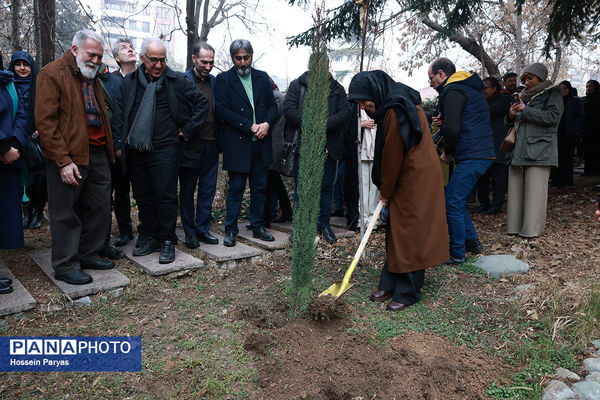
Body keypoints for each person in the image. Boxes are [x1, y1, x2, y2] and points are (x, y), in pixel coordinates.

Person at [348, 70, 449, 311]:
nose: (364, 106)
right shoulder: (393, 101)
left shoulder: (396, 108)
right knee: (396, 230)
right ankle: (390, 282)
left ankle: (408, 291)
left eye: (364, 100)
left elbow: (393, 154)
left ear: (375, 90)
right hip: (407, 173)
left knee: (410, 233)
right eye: (359, 103)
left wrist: (386, 189)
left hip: (415, 176)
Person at [113, 38, 208, 263]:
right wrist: (119, 144)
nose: (158, 65)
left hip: (166, 148)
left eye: (162, 60)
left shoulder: (177, 80)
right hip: (136, 149)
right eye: (153, 60)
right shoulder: (130, 82)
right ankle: (148, 235)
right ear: (143, 58)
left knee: (165, 196)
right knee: (143, 195)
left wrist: (188, 130)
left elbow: (202, 103)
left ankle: (167, 239)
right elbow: (118, 114)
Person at [35, 30, 116, 285]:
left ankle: (88, 254)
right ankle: (65, 265)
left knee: (99, 207)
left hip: (98, 152)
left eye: (99, 56)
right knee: (65, 212)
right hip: (69, 155)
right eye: (91, 54)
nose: (95, 60)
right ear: (74, 50)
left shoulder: (92, 77)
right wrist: (63, 160)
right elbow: (46, 123)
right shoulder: (52, 73)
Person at [428, 57, 495, 263]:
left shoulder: (454, 89)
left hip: (473, 154)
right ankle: (472, 242)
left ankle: (457, 255)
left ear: (441, 74)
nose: (431, 84)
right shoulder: (467, 87)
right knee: (453, 197)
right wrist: (444, 120)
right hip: (479, 152)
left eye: (431, 79)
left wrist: (447, 152)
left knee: (451, 203)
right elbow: (463, 118)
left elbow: (453, 128)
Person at [214, 39, 277, 247]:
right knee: (236, 188)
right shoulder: (224, 79)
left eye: (246, 57)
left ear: (252, 56)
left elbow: (272, 106)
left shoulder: (262, 77)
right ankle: (230, 230)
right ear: (233, 58)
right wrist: (249, 125)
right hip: (238, 143)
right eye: (238, 58)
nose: (242, 62)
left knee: (260, 187)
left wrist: (266, 124)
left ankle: (258, 226)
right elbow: (222, 109)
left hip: (261, 142)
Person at [284, 56, 352, 244]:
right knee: (302, 188)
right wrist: (309, 123)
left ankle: (323, 224)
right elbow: (288, 109)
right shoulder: (298, 85)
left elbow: (345, 112)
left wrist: (323, 124)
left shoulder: (336, 88)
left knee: (325, 188)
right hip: (304, 146)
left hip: (328, 147)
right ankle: (300, 227)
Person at [505, 62, 563, 237]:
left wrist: (526, 110)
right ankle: (515, 227)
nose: (527, 82)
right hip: (519, 147)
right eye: (524, 79)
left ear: (541, 77)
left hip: (540, 148)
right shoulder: (522, 96)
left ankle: (531, 231)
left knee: (535, 191)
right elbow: (513, 122)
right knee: (516, 190)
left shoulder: (553, 92)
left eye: (530, 78)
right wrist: (511, 115)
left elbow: (553, 117)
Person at [180, 41, 220, 248]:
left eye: (211, 62)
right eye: (204, 61)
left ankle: (203, 229)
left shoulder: (215, 82)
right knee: (188, 190)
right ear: (194, 58)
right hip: (189, 144)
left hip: (212, 144)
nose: (208, 66)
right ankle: (189, 232)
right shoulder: (182, 80)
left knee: (208, 189)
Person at [0, 52, 28, 294]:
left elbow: (19, 114)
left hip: (8, 158)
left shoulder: (7, 82)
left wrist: (16, 145)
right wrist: (2, 147)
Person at [8, 51, 44, 229]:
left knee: (37, 177)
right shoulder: (8, 85)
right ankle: (26, 212)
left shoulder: (40, 84)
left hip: (37, 138)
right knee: (21, 177)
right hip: (15, 139)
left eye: (26, 64)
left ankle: (38, 212)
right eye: (18, 64)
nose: (22, 68)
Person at [108, 37, 137, 248]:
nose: (130, 50)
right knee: (121, 189)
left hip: (145, 145)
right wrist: (117, 145)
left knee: (146, 189)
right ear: (117, 58)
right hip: (121, 145)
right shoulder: (111, 81)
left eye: (131, 47)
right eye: (124, 48)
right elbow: (114, 115)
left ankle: (147, 228)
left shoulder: (148, 75)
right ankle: (125, 230)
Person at [476, 76, 511, 214]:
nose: (482, 90)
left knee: (499, 178)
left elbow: (487, 113)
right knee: (482, 177)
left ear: (495, 88)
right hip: (483, 146)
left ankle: (496, 205)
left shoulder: (504, 100)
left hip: (498, 145)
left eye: (485, 87)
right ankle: (484, 203)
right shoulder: (481, 102)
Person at [550, 81, 584, 188]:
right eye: (561, 88)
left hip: (569, 134)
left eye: (565, 88)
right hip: (556, 133)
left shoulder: (575, 101)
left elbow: (580, 116)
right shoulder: (555, 101)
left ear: (569, 89)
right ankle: (555, 180)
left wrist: (574, 128)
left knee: (567, 158)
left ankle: (567, 181)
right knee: (556, 158)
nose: (563, 90)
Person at [583, 80, 600, 176]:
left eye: (590, 86)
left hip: (596, 129)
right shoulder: (585, 99)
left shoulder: (598, 99)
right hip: (587, 129)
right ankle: (588, 169)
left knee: (596, 150)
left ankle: (596, 170)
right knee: (587, 150)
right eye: (587, 86)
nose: (588, 88)